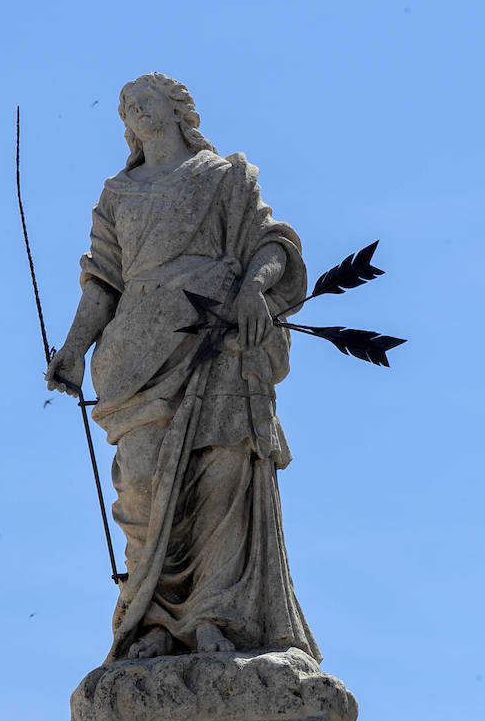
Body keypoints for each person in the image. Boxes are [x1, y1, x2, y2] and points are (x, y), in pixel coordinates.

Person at [46, 73, 319, 663]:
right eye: (126, 106)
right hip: (136, 353)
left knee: (222, 474)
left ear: (178, 110)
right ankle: (152, 622)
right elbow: (103, 283)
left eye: (146, 100)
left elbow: (273, 244)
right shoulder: (118, 194)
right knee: (142, 487)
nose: (135, 109)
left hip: (216, 340)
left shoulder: (225, 178)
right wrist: (72, 349)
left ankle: (215, 616)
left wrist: (252, 290)